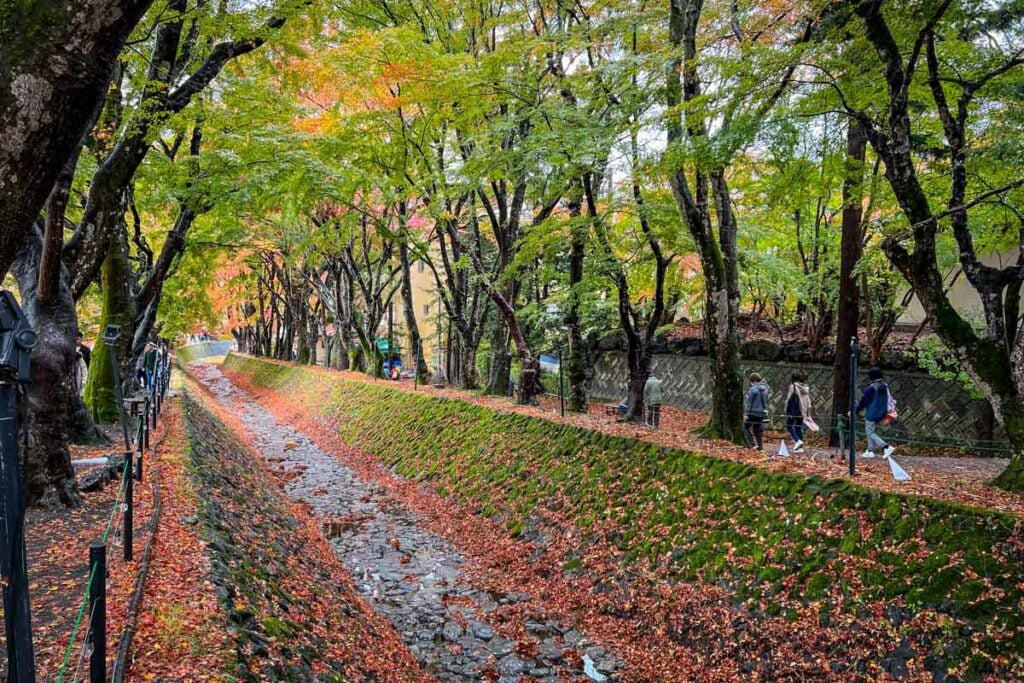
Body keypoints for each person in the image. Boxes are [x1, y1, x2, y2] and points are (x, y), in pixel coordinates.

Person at [855, 367, 895, 459]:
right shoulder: (884, 386)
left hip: (872, 413)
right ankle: (870, 450)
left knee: (869, 432)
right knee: (871, 430)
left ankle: (886, 447)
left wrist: (855, 411)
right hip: (882, 412)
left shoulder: (871, 389)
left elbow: (863, 402)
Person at [785, 373, 812, 453]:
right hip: (802, 410)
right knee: (798, 427)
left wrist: (787, 410)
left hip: (794, 410)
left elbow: (789, 399)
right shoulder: (806, 387)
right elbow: (808, 400)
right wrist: (808, 413)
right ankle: (800, 448)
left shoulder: (793, 386)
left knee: (789, 425)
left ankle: (797, 441)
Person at [744, 373, 770, 451]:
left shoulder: (753, 389)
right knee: (757, 430)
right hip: (761, 413)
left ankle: (752, 444)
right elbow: (766, 401)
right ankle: (760, 446)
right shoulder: (765, 389)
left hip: (753, 412)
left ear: (753, 380)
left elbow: (749, 403)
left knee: (745, 427)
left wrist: (746, 413)